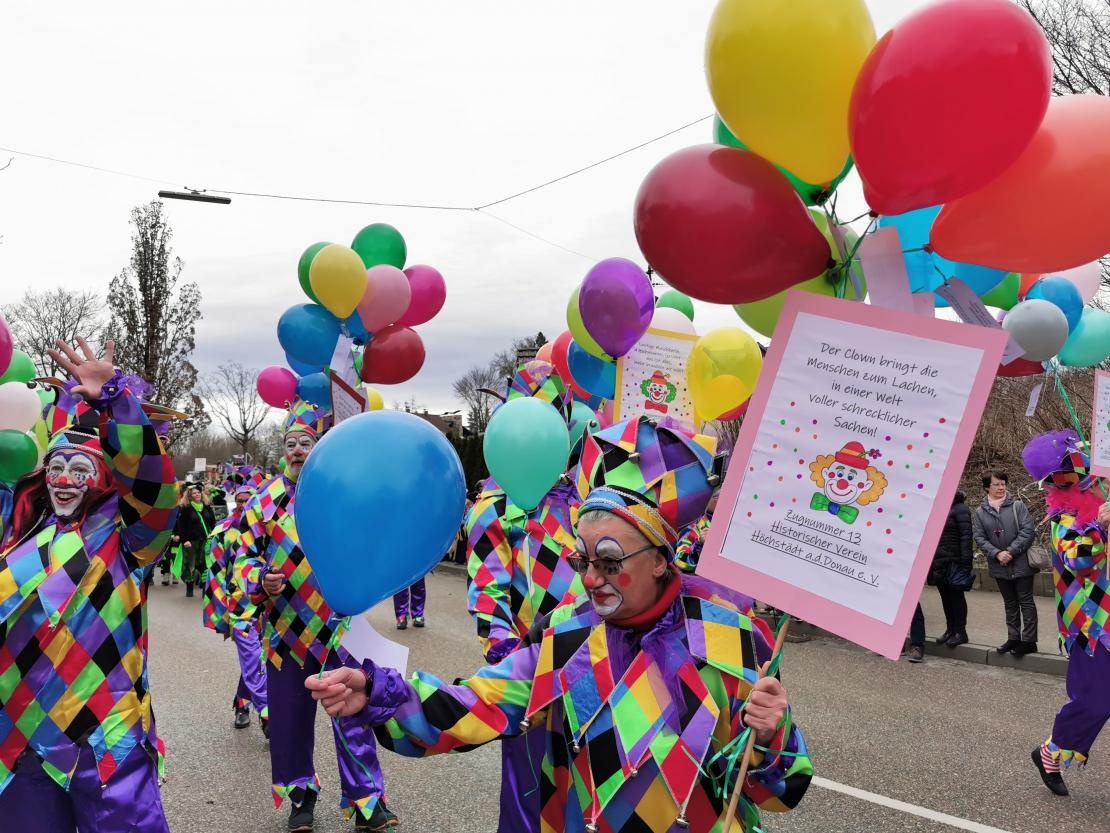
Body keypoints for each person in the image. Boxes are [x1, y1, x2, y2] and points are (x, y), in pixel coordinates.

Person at [310, 417, 812, 833]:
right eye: (582, 559)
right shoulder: (567, 635)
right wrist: (379, 691)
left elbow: (774, 791)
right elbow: (478, 702)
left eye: (611, 561)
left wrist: (772, 736)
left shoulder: (731, 635)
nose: (591, 579)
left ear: (661, 560)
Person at [0, 337, 179, 832]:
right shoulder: (16, 530)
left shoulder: (127, 535)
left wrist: (115, 400)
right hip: (19, 734)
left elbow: (154, 491)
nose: (64, 480)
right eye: (56, 468)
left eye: (79, 470)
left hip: (105, 732)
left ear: (100, 479)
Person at [234, 399, 397, 832]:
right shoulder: (264, 501)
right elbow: (242, 557)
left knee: (351, 711)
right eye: (290, 443)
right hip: (286, 631)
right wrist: (258, 580)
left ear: (319, 445)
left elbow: (366, 545)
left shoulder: (341, 492)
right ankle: (300, 797)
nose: (297, 450)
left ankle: (366, 801)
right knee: (288, 719)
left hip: (339, 625)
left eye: (306, 442)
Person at [464, 360, 586, 833]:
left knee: (587, 778)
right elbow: (487, 587)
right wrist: (505, 657)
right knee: (528, 788)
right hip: (529, 663)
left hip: (589, 658)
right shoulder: (496, 504)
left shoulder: (585, 497)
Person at [1022, 432, 1110, 797]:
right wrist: (1101, 525)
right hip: (1095, 624)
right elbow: (1079, 560)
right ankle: (1050, 750)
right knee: (1095, 701)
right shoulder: (1065, 519)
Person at [202, 466, 269, 735]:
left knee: (256, 658)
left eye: (248, 500)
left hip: (265, 605)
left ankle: (242, 702)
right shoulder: (223, 532)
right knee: (252, 655)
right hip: (238, 608)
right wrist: (221, 616)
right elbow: (215, 576)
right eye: (239, 500)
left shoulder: (266, 528)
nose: (243, 505)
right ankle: (268, 714)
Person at [974, 470, 1038, 656]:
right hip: (998, 565)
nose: (1001, 487)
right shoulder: (980, 512)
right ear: (987, 487)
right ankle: (1013, 638)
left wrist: (1009, 552)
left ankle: (1029, 641)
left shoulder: (1018, 506)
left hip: (1021, 563)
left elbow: (1028, 531)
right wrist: (996, 553)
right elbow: (979, 536)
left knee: (1026, 602)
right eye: (997, 484)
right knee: (1009, 603)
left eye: (1003, 484)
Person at [173, 481, 215, 597]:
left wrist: (215, 535)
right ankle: (189, 589)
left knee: (205, 566)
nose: (197, 495)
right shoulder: (186, 509)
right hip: (191, 543)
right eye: (194, 493)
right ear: (190, 496)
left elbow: (213, 523)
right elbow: (181, 527)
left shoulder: (207, 507)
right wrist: (184, 540)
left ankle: (204, 590)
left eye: (198, 493)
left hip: (206, 542)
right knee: (190, 566)